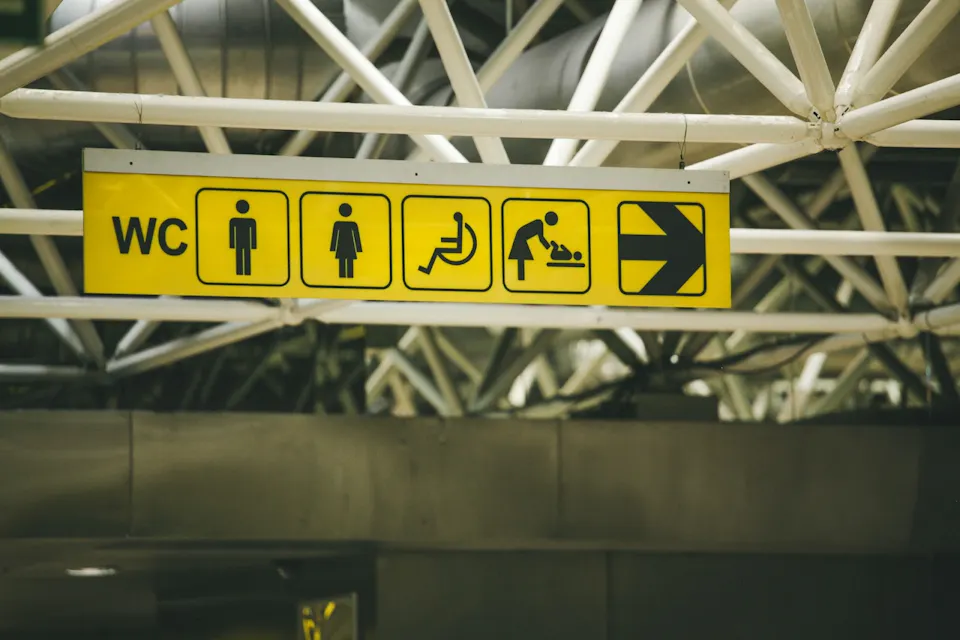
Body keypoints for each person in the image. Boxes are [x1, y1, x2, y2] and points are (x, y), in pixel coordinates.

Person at [508, 211, 558, 281]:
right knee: (521, 258)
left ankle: (521, 279)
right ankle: (521, 280)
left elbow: (540, 238)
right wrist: (549, 248)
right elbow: (541, 238)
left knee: (521, 259)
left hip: (521, 238)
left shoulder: (539, 223)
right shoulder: (539, 223)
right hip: (521, 239)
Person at [330, 203, 362, 278]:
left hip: (346, 246)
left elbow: (356, 236)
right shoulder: (339, 224)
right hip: (344, 246)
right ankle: (343, 276)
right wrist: (333, 248)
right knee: (343, 262)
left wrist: (358, 248)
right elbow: (335, 236)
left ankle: (349, 276)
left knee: (347, 261)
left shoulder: (352, 224)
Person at [229, 199, 257, 276]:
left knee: (247, 257)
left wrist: (253, 245)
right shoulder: (233, 221)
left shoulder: (251, 221)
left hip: (246, 243)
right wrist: (232, 244)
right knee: (239, 257)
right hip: (239, 242)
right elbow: (232, 233)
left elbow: (253, 233)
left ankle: (247, 272)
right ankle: (239, 271)